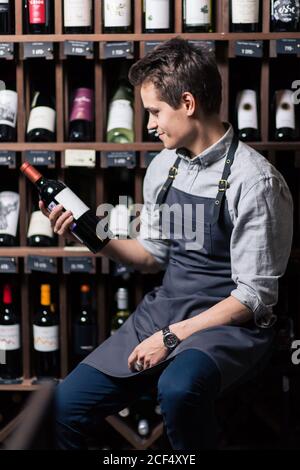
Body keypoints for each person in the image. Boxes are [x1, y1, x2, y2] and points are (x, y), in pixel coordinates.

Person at [39, 38, 293, 450]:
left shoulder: (256, 181)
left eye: (155, 112)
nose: (150, 124)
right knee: (64, 406)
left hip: (228, 326)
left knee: (178, 391)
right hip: (168, 307)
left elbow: (253, 298)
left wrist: (172, 337)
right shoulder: (163, 167)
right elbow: (151, 256)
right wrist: (91, 232)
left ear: (188, 103)